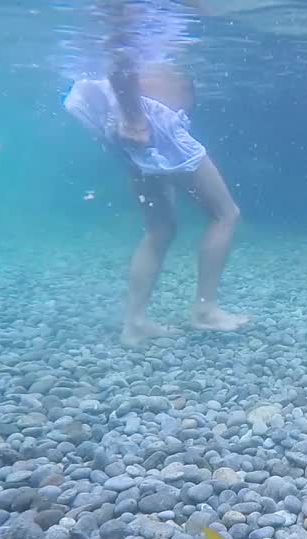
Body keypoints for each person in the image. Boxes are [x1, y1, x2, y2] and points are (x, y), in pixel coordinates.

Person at [64, 0, 249, 346]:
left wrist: (130, 114)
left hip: (133, 123)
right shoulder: (138, 10)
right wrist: (133, 115)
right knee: (225, 214)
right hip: (151, 123)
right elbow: (121, 50)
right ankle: (206, 311)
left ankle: (134, 323)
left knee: (159, 227)